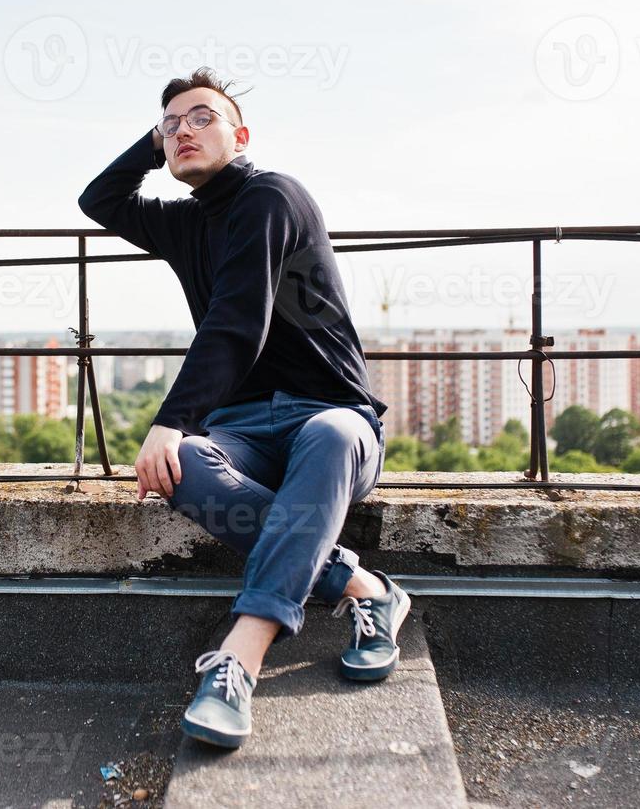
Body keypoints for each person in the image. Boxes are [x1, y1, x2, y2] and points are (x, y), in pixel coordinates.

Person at [77, 68, 408, 750]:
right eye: (171, 125)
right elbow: (98, 199)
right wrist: (154, 143)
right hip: (241, 431)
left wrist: (168, 417)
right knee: (183, 464)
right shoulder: (182, 222)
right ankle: (365, 589)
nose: (183, 131)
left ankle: (239, 657)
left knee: (328, 434)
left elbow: (236, 319)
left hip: (332, 415)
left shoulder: (273, 196)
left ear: (241, 134)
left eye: (202, 118)